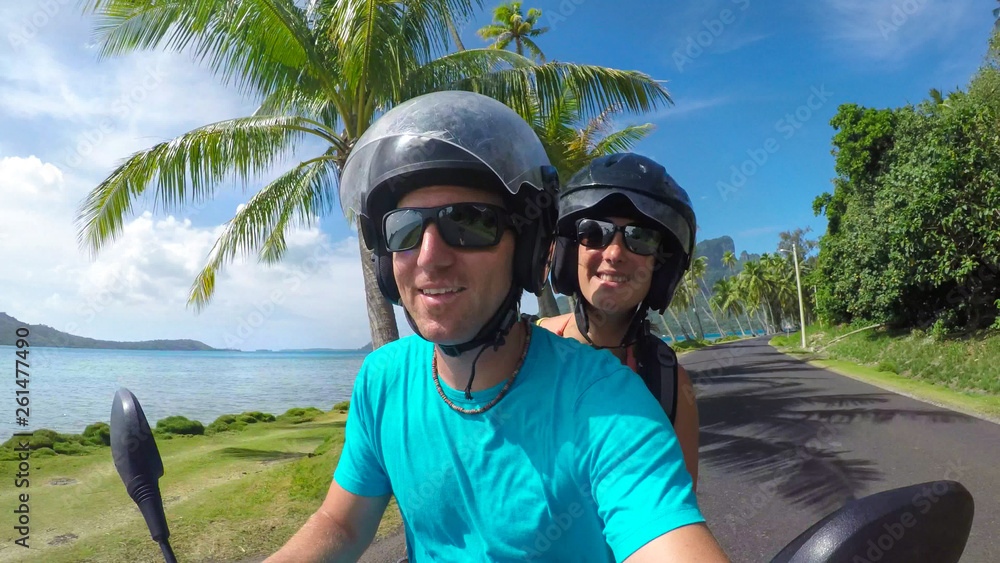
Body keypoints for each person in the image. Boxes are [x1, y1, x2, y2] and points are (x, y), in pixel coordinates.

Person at [266, 91, 728, 562]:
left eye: (470, 223)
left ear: (528, 249)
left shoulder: (616, 401)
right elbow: (340, 525)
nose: (430, 258)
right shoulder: (382, 379)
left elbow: (665, 525)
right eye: (403, 229)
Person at [537, 153, 701, 489]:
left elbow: (680, 512)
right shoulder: (527, 350)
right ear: (570, 252)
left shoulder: (667, 381)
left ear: (661, 266)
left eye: (640, 238)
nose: (613, 253)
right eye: (593, 232)